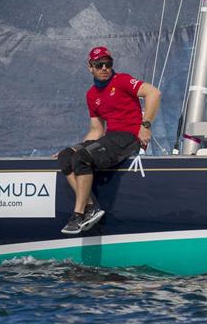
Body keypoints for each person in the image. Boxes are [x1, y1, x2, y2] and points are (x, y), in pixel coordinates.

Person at [56, 46, 161, 234]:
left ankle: (78, 214)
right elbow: (96, 130)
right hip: (111, 138)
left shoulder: (121, 81)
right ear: (90, 67)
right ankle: (91, 208)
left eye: (108, 64)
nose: (104, 68)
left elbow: (154, 93)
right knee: (66, 156)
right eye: (99, 65)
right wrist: (74, 148)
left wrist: (145, 126)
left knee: (81, 158)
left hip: (128, 137)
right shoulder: (91, 95)